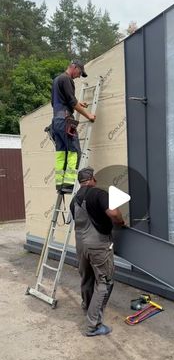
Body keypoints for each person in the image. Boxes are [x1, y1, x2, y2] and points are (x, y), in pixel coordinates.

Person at [70, 167, 125, 336]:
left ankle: (88, 307)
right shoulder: (98, 194)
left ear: (80, 182)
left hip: (81, 245)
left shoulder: (74, 200)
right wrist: (120, 222)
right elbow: (114, 213)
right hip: (99, 245)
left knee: (87, 278)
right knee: (104, 282)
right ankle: (93, 325)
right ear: (92, 179)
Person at [51, 59, 96, 193]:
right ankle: (69, 185)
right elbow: (71, 102)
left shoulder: (57, 80)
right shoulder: (67, 79)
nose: (78, 76)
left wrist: (78, 103)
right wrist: (88, 115)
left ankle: (60, 185)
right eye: (79, 73)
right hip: (65, 120)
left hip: (56, 121)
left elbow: (57, 102)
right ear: (74, 67)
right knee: (74, 152)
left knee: (61, 154)